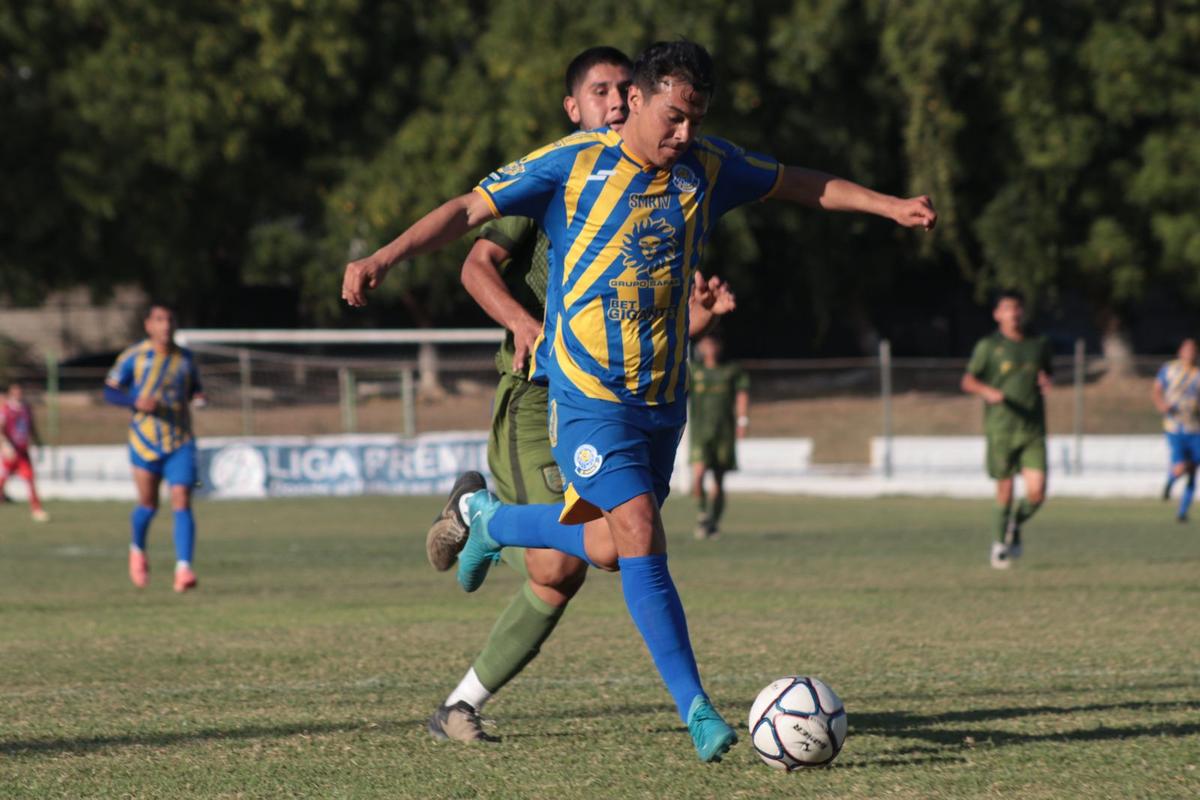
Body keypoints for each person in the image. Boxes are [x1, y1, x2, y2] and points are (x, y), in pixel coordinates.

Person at [342, 40, 935, 761]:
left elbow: (797, 183)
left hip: (662, 400)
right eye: (674, 117)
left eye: (694, 121)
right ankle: (699, 713)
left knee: (609, 547)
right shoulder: (569, 164)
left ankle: (488, 521)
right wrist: (382, 257)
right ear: (642, 100)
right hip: (586, 395)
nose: (683, 134)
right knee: (640, 531)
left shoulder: (705, 168)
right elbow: (468, 213)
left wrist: (889, 205)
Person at [425, 45, 737, 744]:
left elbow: (639, 317)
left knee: (598, 551)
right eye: (601, 91)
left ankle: (481, 531)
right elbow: (476, 264)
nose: (617, 101)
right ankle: (464, 686)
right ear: (573, 107)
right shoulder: (557, 174)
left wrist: (701, 318)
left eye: (627, 89)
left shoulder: (658, 183)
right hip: (536, 394)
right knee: (567, 562)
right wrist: (521, 320)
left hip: (617, 396)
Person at [104, 303, 206, 593]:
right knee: (148, 505)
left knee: (182, 499)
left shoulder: (186, 358)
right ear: (148, 325)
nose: (166, 325)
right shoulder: (134, 356)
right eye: (159, 320)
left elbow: (194, 387)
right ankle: (137, 549)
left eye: (170, 319)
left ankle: (184, 568)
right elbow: (109, 390)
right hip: (145, 440)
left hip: (180, 440)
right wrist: (133, 402)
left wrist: (199, 396)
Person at [961, 289, 1052, 569]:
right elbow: (968, 381)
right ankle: (1000, 546)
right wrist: (987, 391)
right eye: (1008, 309)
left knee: (1037, 493)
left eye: (1017, 308)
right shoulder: (988, 346)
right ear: (997, 315)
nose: (1014, 313)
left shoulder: (1039, 344)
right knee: (1006, 491)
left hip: (1033, 429)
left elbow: (1045, 372)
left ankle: (1013, 523)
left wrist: (1044, 380)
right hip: (1001, 429)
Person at [688, 332, 749, 540]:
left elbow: (742, 394)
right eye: (706, 344)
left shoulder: (731, 370)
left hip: (724, 432)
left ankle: (714, 522)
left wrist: (742, 421)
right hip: (699, 432)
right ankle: (703, 514)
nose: (710, 348)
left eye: (713, 344)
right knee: (697, 475)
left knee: (719, 480)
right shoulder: (693, 371)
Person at [1152, 337, 1200, 522]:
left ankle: (1182, 513)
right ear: (1181, 351)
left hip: (1195, 428)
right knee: (1180, 468)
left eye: (1193, 350)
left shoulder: (1197, 373)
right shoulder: (1169, 369)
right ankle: (1170, 482)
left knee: (1193, 470)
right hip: (1175, 427)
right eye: (1187, 349)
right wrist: (1161, 404)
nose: (1190, 353)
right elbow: (1157, 389)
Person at [0, 382, 50, 522]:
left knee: (30, 479)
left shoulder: (26, 408)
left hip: (23, 452)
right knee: (3, 479)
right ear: (10, 393)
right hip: (11, 451)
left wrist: (38, 442)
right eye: (15, 391)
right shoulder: (5, 409)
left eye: (20, 391)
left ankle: (37, 509)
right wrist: (5, 445)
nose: (18, 394)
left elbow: (31, 427)